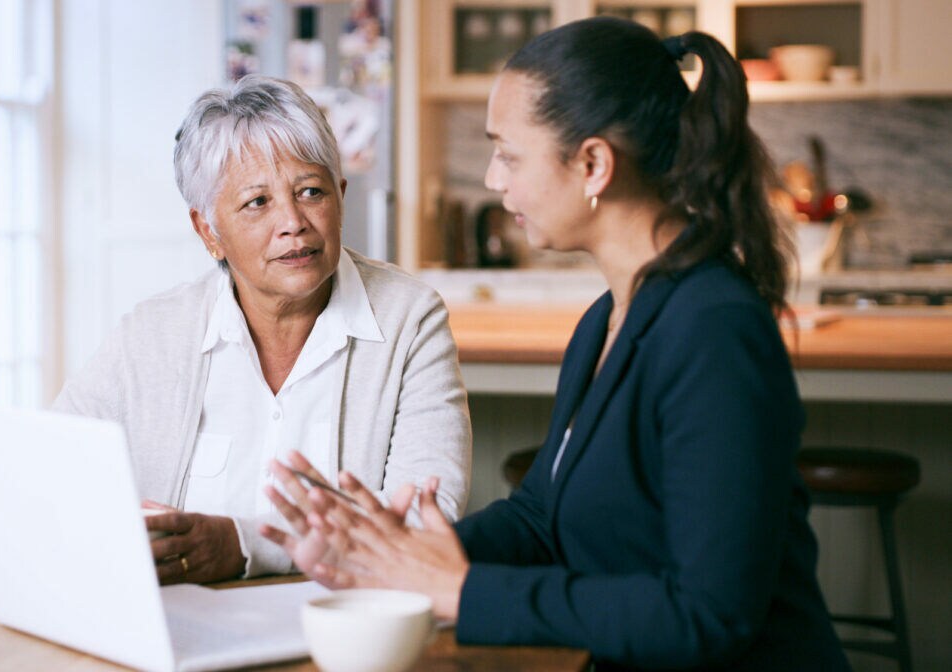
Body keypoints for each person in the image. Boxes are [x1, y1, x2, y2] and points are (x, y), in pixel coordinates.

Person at [263, 17, 850, 671]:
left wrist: (462, 591)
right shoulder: (607, 318)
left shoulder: (714, 330)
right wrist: (400, 553)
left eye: (509, 155)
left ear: (594, 164)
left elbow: (708, 614)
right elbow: (542, 514)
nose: (493, 178)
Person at [53, 75, 471, 584]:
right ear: (208, 230)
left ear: (340, 198)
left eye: (311, 192)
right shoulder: (152, 334)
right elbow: (55, 468)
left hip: (345, 617)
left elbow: (428, 513)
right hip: (180, 619)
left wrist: (244, 545)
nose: (293, 221)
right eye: (258, 202)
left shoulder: (410, 319)